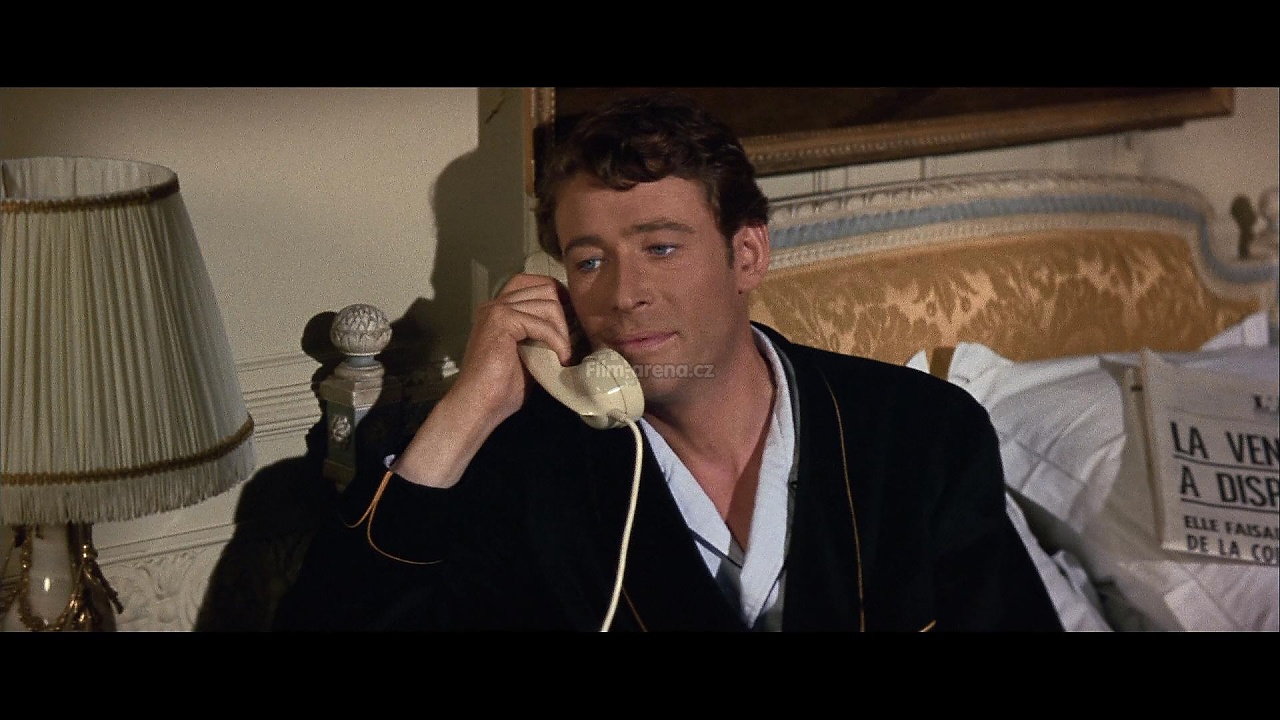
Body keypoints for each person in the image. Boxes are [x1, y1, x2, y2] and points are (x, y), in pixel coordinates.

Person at [272, 92, 1064, 632]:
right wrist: (466, 413)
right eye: (589, 261)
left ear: (746, 255)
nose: (624, 295)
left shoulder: (920, 433)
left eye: (660, 247)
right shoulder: (534, 472)